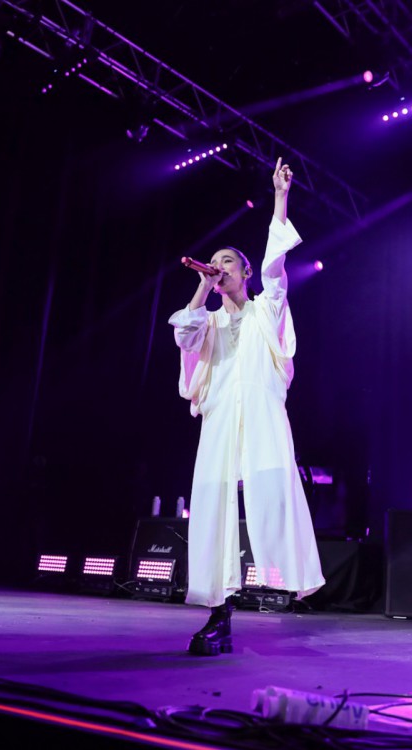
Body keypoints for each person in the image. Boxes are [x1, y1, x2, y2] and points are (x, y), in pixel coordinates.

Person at [169, 157, 324, 656]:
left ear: (245, 270)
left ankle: (289, 579)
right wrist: (202, 281)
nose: (221, 267)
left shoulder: (266, 311)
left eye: (228, 262)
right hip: (219, 425)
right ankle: (219, 615)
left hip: (259, 421)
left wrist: (280, 198)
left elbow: (278, 270)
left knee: (272, 501)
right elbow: (184, 330)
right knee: (213, 510)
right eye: (215, 262)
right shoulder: (208, 322)